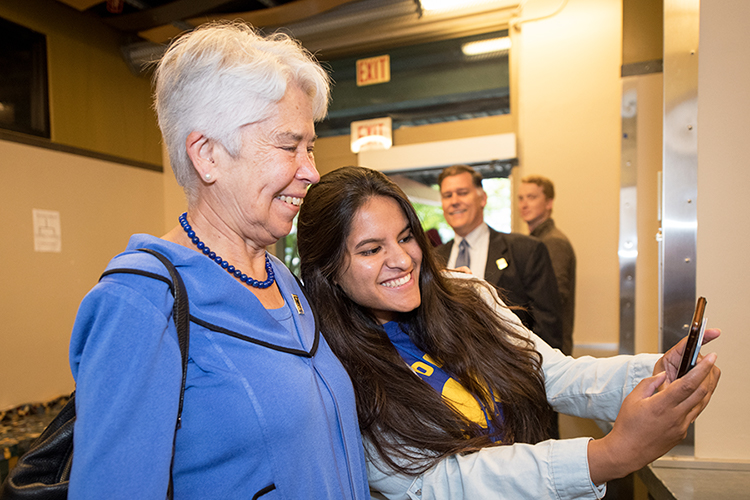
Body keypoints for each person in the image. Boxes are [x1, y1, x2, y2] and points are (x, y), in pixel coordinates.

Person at [67, 23, 369, 499]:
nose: (311, 171)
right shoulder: (141, 302)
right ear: (207, 155)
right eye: (289, 146)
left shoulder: (282, 281)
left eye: (309, 147)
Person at [296, 166, 721, 500]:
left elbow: (550, 373)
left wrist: (655, 373)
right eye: (371, 250)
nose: (402, 260)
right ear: (329, 269)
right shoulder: (330, 366)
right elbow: (438, 484)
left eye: (406, 237)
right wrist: (605, 457)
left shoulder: (468, 297)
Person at [435, 165, 565, 352]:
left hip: (510, 373)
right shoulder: (433, 258)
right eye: (447, 196)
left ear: (483, 198)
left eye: (462, 193)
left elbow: (548, 329)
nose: (454, 201)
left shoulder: (526, 250)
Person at [519, 175, 577, 355]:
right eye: (521, 198)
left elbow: (553, 300)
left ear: (549, 203)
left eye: (532, 197)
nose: (524, 204)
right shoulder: (534, 241)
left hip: (550, 349)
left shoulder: (553, 242)